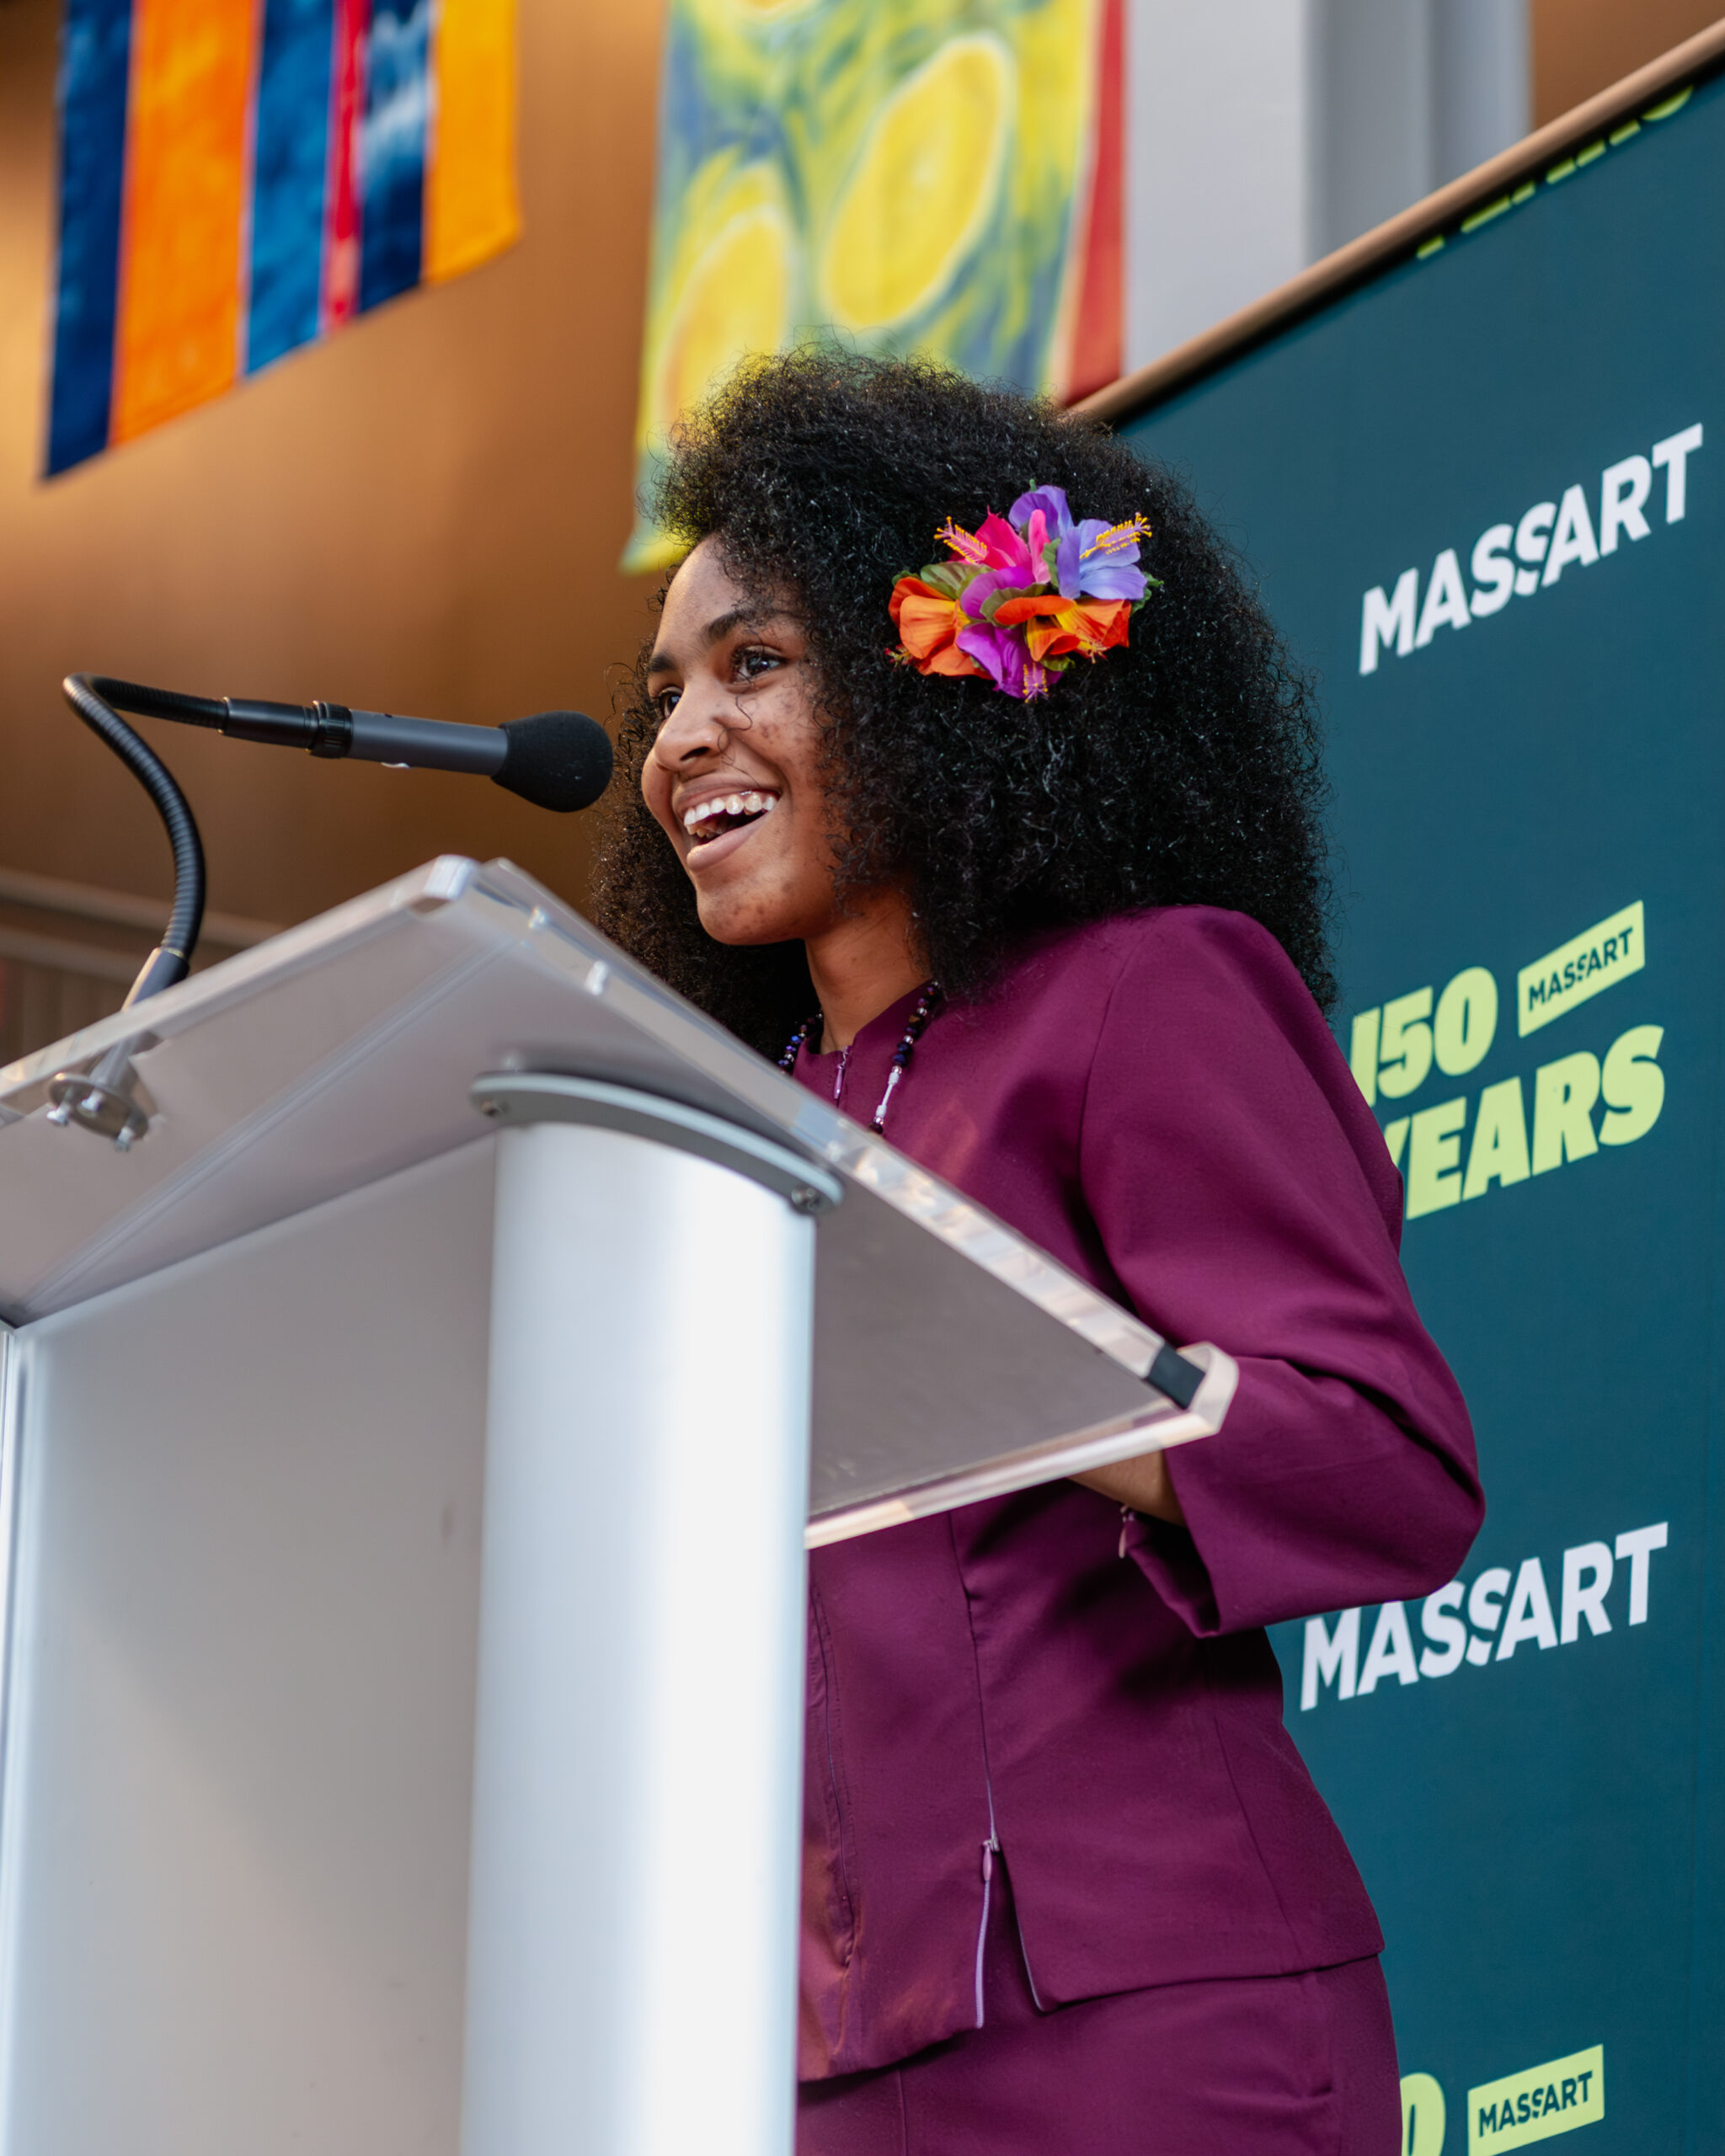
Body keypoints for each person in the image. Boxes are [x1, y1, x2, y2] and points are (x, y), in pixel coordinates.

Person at [590, 350, 1482, 2155]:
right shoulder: (722, 1127)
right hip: (804, 2059)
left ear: (940, 684)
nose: (684, 736)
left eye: (753, 663)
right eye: (661, 694)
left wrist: (1025, 1372)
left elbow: (1387, 1467)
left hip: (1157, 2016)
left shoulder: (1142, 991)